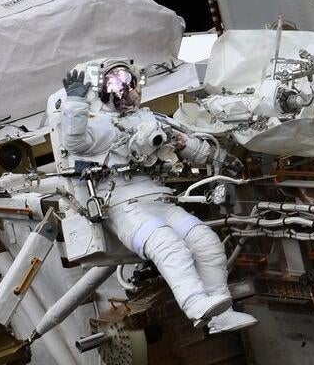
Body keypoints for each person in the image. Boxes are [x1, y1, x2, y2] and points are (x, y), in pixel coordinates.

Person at [53, 61, 256, 334]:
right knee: (169, 246)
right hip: (122, 206)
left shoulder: (153, 120)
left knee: (205, 242)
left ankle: (222, 315)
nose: (127, 93)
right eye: (118, 87)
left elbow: (194, 147)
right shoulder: (100, 126)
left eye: (130, 85)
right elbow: (75, 142)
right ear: (104, 92)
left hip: (158, 200)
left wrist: (216, 156)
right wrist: (75, 103)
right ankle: (196, 305)